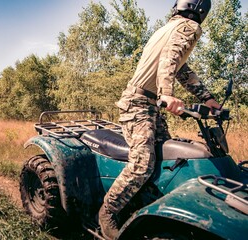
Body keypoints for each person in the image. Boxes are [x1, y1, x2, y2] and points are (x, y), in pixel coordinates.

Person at [98, 0, 221, 239]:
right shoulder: (188, 27)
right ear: (200, 11)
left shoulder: (168, 28)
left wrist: (208, 98)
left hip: (149, 104)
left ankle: (145, 207)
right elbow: (169, 58)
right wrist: (167, 93)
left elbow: (182, 70)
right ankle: (108, 212)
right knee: (142, 164)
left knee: (169, 158)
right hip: (139, 103)